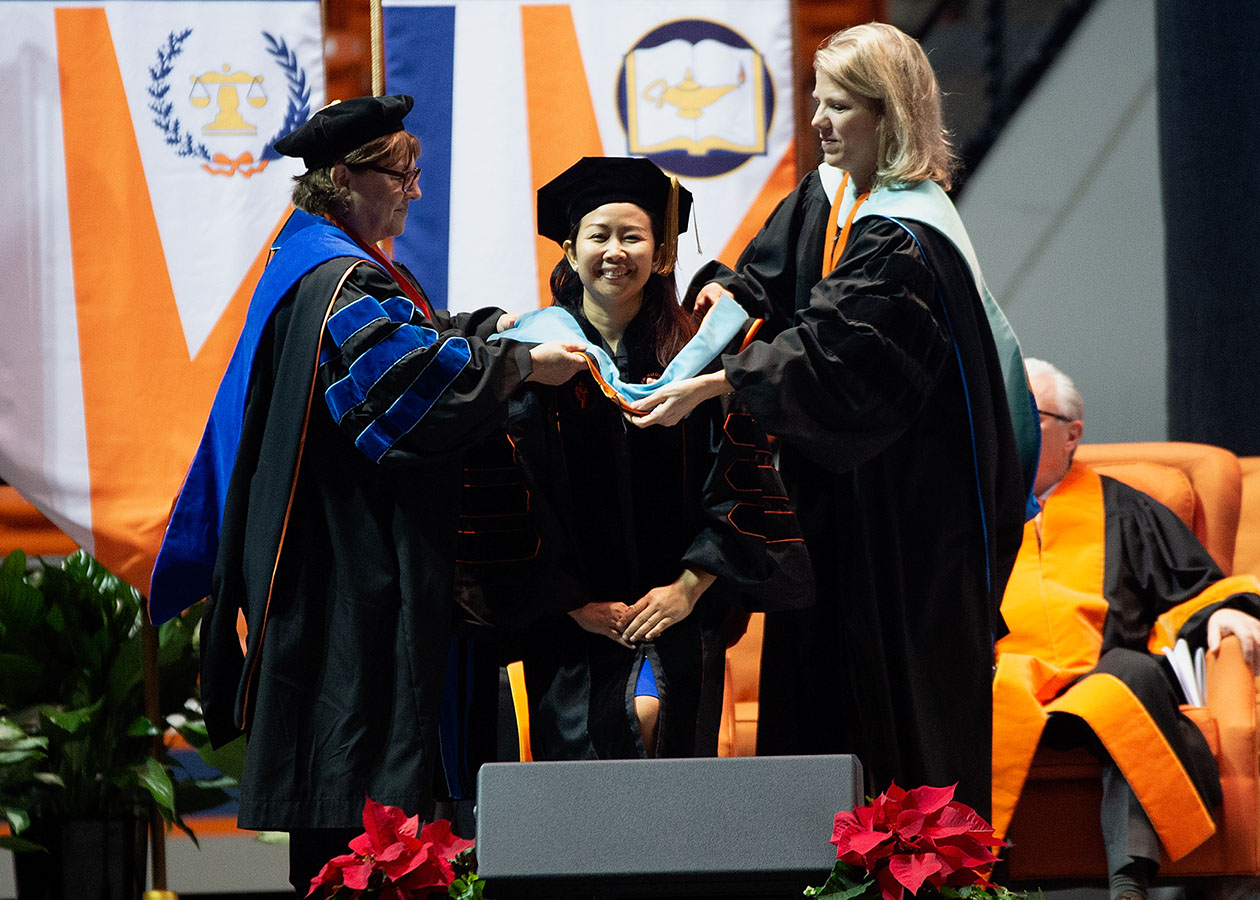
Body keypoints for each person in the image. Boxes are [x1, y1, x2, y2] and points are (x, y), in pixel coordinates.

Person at [148, 95, 588, 895]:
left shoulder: (329, 260)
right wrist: (521, 365)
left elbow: (419, 336)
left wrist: (495, 328)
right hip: (348, 580)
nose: (415, 191)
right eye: (403, 173)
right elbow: (403, 392)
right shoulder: (337, 279)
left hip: (344, 568)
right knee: (364, 821)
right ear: (345, 178)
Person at [629, 23, 1034, 816]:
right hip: (834, 500)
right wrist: (722, 301)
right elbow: (766, 276)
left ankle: (914, 867)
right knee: (817, 700)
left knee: (894, 706)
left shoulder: (910, 236)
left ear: (888, 116)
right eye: (816, 99)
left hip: (907, 521)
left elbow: (838, 355)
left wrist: (716, 384)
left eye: (839, 104)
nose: (817, 119)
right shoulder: (832, 192)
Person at [482, 156, 813, 760]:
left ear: (659, 252)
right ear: (568, 247)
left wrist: (688, 587)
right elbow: (514, 497)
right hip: (571, 622)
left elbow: (740, 486)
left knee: (668, 743)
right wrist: (573, 603)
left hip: (679, 610)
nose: (615, 251)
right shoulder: (537, 357)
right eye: (598, 236)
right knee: (580, 783)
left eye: (633, 236)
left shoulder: (698, 356)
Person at [992, 359, 1260, 900]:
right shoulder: (973, 516)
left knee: (1131, 673)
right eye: (1004, 415)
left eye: (1029, 415)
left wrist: (1226, 609)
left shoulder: (1125, 508)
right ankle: (975, 875)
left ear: (1072, 435)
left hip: (1104, 682)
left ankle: (1129, 879)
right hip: (1006, 683)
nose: (1010, 427)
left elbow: (1191, 583)